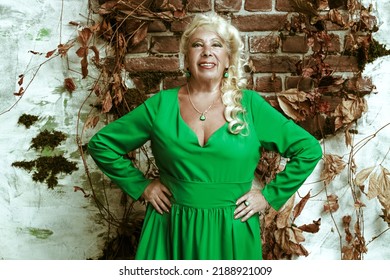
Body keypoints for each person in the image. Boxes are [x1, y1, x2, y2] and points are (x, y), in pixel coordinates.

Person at [88, 13, 322, 260]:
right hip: (169, 227)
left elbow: (308, 149)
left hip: (232, 230)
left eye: (216, 45)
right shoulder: (161, 105)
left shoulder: (250, 106)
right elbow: (102, 144)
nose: (207, 52)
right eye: (198, 45)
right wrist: (142, 186)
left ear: (229, 59)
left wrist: (268, 196)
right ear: (186, 58)